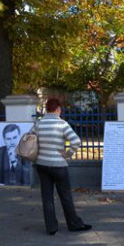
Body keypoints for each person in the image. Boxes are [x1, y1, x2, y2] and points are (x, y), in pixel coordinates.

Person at [33, 98, 91, 235]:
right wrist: (68, 154)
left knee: (47, 197)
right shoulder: (62, 124)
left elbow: (30, 138)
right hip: (58, 165)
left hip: (41, 164)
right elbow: (76, 141)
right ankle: (74, 224)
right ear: (58, 109)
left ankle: (51, 227)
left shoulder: (38, 123)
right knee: (65, 196)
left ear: (47, 109)